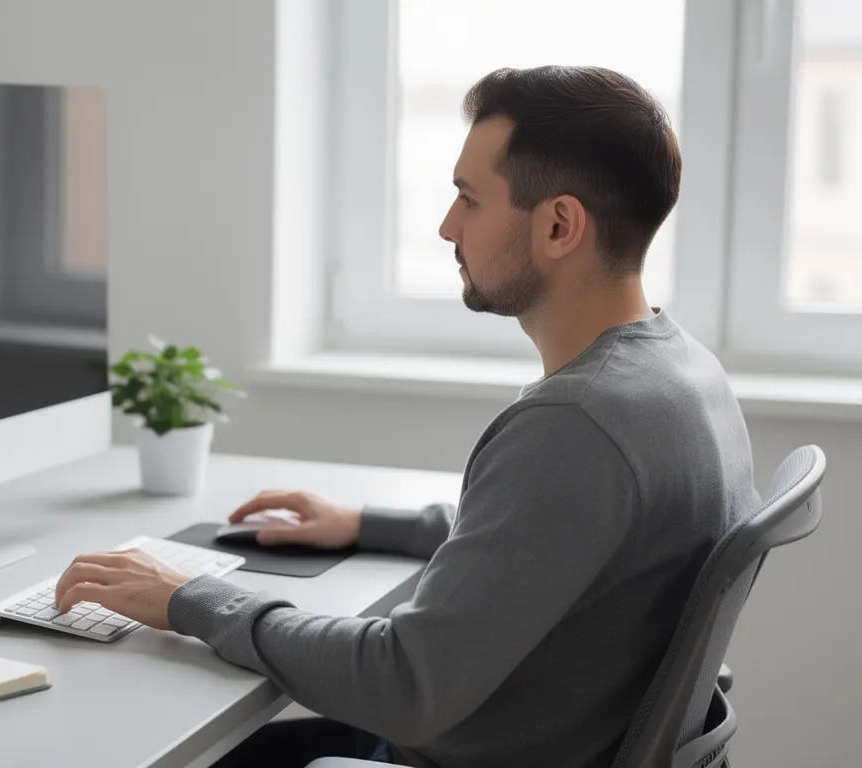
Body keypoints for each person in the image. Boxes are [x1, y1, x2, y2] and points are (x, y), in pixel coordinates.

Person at [53, 65, 758, 768]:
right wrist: (368, 525)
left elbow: (403, 683)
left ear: (558, 225)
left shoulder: (578, 424)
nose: (448, 226)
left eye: (469, 200)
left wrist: (190, 599)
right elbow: (547, 540)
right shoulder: (681, 374)